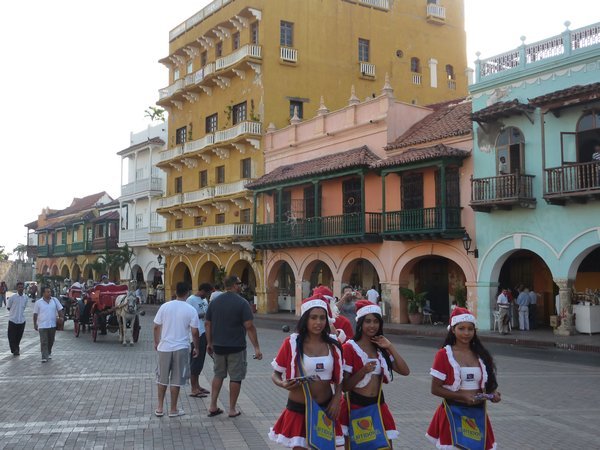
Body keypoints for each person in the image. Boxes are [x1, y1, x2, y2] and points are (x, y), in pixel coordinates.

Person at [268, 296, 344, 448]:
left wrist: (337, 399)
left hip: (326, 409)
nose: (318, 322)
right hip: (298, 409)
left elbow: (340, 378)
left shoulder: (333, 344)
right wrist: (282, 383)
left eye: (322, 318)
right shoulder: (292, 343)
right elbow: (275, 373)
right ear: (305, 319)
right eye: (313, 317)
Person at [426, 308, 501, 450]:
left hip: (478, 413)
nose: (466, 333)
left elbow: (488, 384)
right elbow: (435, 389)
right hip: (453, 412)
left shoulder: (481, 355)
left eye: (470, 329)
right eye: (461, 328)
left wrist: (493, 394)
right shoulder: (444, 354)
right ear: (453, 330)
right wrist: (461, 395)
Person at [340, 300, 410, 448]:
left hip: (378, 406)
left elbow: (405, 371)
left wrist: (389, 346)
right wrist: (363, 371)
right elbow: (344, 386)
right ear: (360, 323)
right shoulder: (349, 348)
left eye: (376, 321)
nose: (372, 325)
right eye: (368, 321)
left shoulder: (380, 348)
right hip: (355, 407)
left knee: (385, 446)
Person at [205, 275, 262, 418]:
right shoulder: (242, 303)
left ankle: (212, 406)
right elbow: (249, 326)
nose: (241, 286)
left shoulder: (214, 302)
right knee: (236, 377)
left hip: (218, 346)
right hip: (236, 346)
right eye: (239, 284)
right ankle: (231, 409)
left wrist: (209, 342)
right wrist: (256, 348)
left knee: (218, 375)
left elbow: (207, 324)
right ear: (235, 285)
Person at [153, 282, 200, 418]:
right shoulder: (190, 309)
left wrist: (157, 342)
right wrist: (196, 347)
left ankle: (160, 407)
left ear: (176, 292)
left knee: (162, 378)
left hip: (165, 347)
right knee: (176, 379)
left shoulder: (165, 306)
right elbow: (195, 332)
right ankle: (173, 409)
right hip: (181, 347)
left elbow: (156, 326)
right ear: (187, 293)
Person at [187, 282, 212, 398]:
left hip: (205, 333)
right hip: (196, 333)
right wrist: (203, 315)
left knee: (201, 361)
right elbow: (188, 316)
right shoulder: (191, 300)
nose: (207, 296)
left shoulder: (204, 300)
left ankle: (197, 385)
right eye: (207, 293)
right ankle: (193, 388)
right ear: (202, 291)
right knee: (195, 361)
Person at [33, 285, 64, 363]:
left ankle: (48, 352)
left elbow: (60, 310)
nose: (49, 293)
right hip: (42, 325)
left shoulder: (54, 300)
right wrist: (35, 324)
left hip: (52, 325)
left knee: (51, 340)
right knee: (44, 341)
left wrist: (61, 317)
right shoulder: (38, 303)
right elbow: (35, 314)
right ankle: (44, 356)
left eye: (50, 292)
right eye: (47, 292)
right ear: (43, 293)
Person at [7, 281, 28, 356]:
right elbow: (8, 307)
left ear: (23, 288)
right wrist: (14, 313)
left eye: (22, 287)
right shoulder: (12, 297)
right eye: (19, 287)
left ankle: (16, 347)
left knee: (19, 336)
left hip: (21, 320)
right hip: (13, 320)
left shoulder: (25, 297)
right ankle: (14, 349)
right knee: (11, 336)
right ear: (17, 288)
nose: (21, 289)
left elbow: (24, 307)